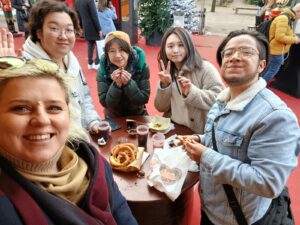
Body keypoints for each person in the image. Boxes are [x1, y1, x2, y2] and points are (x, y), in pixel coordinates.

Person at [0, 58, 138, 225]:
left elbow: (123, 215)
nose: (42, 120)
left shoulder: (94, 163)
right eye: (21, 108)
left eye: (54, 107)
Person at [181, 30, 299, 225]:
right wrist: (201, 140)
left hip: (240, 218)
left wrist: (205, 156)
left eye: (246, 52)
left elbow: (268, 182)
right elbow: (222, 139)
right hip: (211, 209)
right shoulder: (222, 100)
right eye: (228, 53)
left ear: (262, 65)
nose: (234, 57)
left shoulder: (275, 116)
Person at [20, 0, 108, 134]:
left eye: (69, 30)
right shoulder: (25, 67)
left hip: (80, 140)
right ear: (38, 32)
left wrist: (92, 122)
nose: (63, 36)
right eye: (54, 28)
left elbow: (84, 97)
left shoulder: (71, 60)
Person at [154, 27, 224, 134]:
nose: (175, 50)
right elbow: (160, 107)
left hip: (198, 133)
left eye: (181, 45)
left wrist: (191, 92)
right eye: (170, 46)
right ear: (164, 49)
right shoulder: (167, 72)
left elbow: (220, 100)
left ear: (189, 46)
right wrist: (165, 85)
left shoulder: (205, 68)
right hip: (173, 129)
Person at [96, 31, 150, 118]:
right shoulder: (103, 70)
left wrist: (129, 84)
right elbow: (105, 103)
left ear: (129, 50)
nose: (117, 55)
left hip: (137, 115)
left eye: (121, 50)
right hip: (114, 117)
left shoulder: (140, 66)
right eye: (112, 51)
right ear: (107, 54)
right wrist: (116, 85)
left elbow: (143, 99)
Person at [262, 3, 300, 83]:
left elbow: (286, 32)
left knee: (269, 68)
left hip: (277, 49)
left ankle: (258, 83)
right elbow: (279, 37)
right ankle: (259, 86)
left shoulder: (287, 17)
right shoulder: (284, 18)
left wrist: (293, 36)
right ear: (298, 11)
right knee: (272, 70)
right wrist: (294, 40)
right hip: (277, 50)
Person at [76, 0, 102, 70]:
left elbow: (79, 16)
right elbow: (94, 15)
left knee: (90, 44)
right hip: (93, 26)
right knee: (98, 44)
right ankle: (97, 63)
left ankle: (90, 63)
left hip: (85, 26)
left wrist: (81, 27)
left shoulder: (78, 1)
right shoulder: (90, 1)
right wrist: (99, 29)